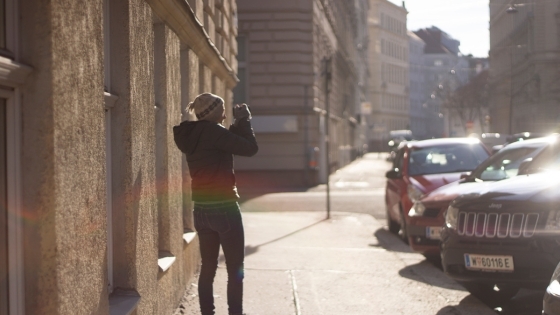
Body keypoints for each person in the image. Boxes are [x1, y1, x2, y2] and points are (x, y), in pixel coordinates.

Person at [173, 92, 258, 315]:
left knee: (208, 269)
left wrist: (237, 125)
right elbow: (250, 149)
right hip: (225, 208)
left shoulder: (193, 134)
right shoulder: (215, 133)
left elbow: (230, 144)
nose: (224, 113)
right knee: (235, 268)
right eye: (221, 109)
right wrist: (244, 121)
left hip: (201, 209)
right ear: (212, 113)